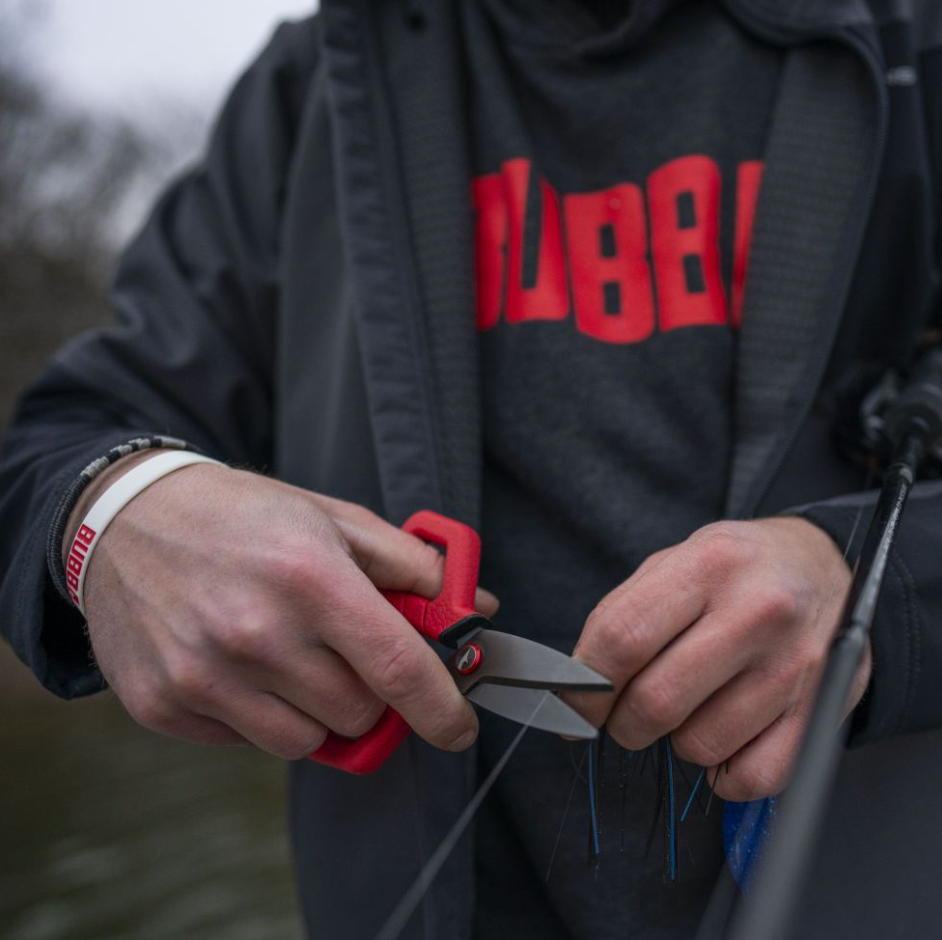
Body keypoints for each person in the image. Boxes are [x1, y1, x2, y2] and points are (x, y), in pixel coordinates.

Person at [3, 1, 942, 937]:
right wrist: (116, 515)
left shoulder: (915, 37)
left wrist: (878, 587)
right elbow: (61, 440)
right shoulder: (309, 86)